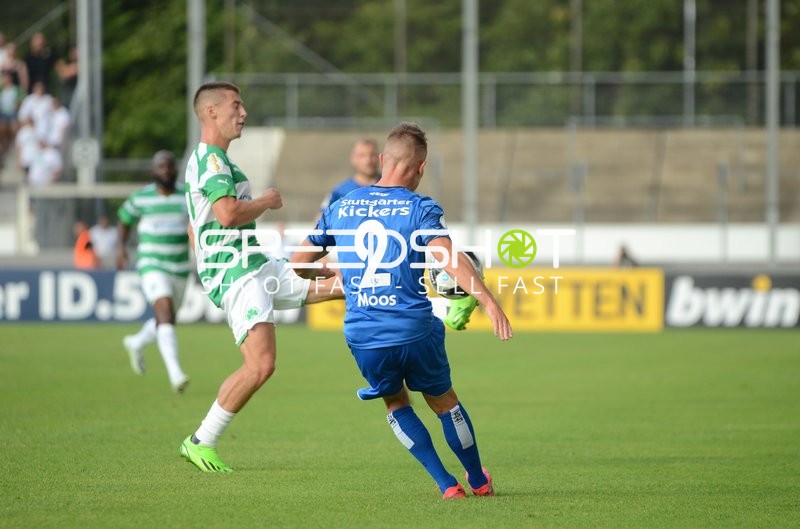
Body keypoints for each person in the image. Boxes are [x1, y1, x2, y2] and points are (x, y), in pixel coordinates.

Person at [290, 122, 513, 499]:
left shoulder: (342, 205)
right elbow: (447, 257)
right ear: (421, 168)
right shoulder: (421, 207)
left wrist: (324, 270)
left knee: (395, 402)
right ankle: (477, 479)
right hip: (413, 327)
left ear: (381, 160)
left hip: (363, 333)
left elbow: (298, 264)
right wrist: (488, 301)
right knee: (444, 401)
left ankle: (446, 485)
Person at [179, 81, 343, 473]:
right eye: (236, 105)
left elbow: (196, 225)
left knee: (346, 283)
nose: (244, 112)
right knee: (260, 365)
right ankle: (200, 441)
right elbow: (227, 215)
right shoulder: (212, 161)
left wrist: (208, 256)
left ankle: (432, 312)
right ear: (211, 112)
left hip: (252, 265)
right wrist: (265, 202)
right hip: (238, 274)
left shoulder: (214, 162)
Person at [117, 150, 191, 394]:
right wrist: (121, 248)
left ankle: (136, 342)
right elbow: (124, 219)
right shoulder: (141, 198)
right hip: (152, 264)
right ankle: (176, 373)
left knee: (166, 320)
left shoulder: (187, 196)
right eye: (161, 167)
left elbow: (196, 225)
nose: (166, 171)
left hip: (180, 266)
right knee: (166, 313)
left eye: (170, 167)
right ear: (153, 171)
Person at [318, 138, 380, 213]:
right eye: (362, 156)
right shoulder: (340, 191)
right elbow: (320, 219)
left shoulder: (390, 186)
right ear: (353, 159)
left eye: (372, 155)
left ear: (379, 158)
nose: (368, 161)